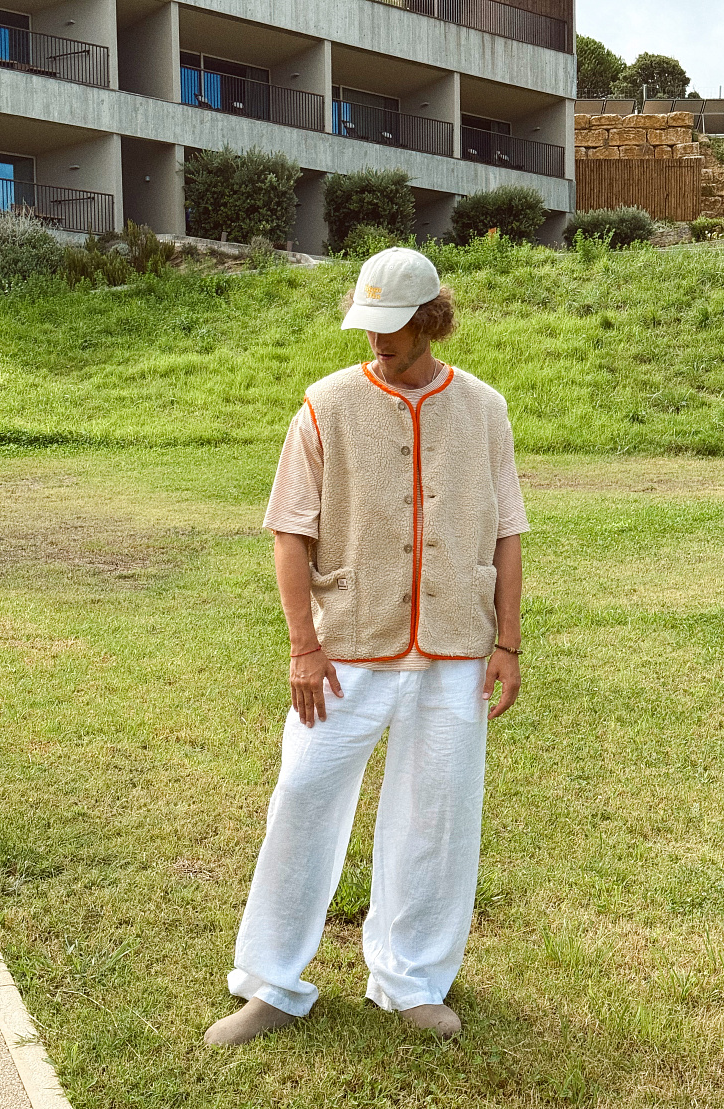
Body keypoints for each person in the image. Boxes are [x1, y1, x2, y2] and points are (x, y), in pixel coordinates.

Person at [204, 246, 528, 1045]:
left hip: (455, 650)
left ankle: (411, 978)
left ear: (430, 320)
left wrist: (509, 642)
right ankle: (272, 983)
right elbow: (290, 532)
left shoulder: (484, 409)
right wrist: (302, 647)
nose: (377, 338)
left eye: (392, 324)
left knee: (437, 816)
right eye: (369, 322)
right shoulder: (326, 405)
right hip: (346, 649)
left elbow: (507, 530)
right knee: (303, 798)